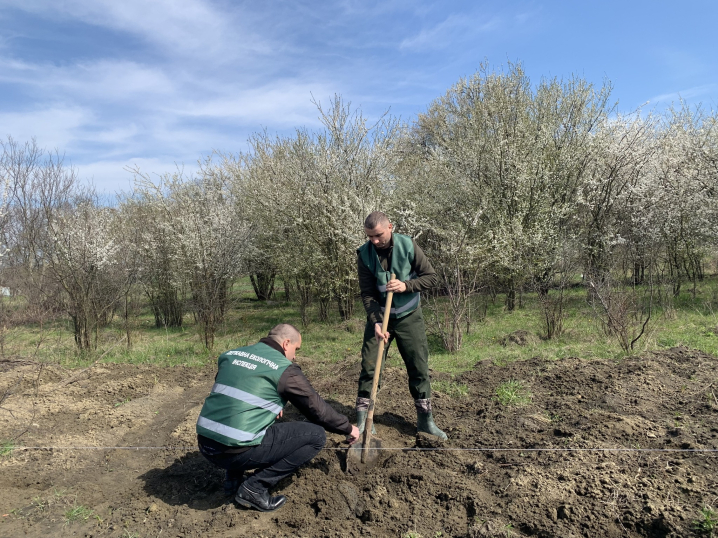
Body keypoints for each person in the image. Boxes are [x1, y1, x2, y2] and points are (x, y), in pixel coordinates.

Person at [196, 324, 360, 512]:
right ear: (286, 343)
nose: (295, 356)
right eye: (295, 350)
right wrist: (348, 428)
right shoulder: (284, 369)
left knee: (239, 422)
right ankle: (254, 488)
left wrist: (268, 406)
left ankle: (232, 481)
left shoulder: (232, 355)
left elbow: (235, 396)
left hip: (206, 445)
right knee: (316, 436)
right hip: (235, 452)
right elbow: (317, 410)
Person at [355, 211, 447, 440]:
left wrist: (407, 286)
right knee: (369, 366)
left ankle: (426, 421)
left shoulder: (408, 245)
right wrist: (376, 322)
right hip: (380, 319)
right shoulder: (364, 254)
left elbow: (431, 277)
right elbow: (367, 293)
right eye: (370, 237)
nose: (374, 241)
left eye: (378, 235)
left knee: (418, 367)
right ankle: (364, 421)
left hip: (409, 316)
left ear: (390, 227)